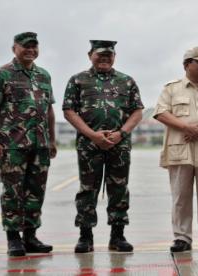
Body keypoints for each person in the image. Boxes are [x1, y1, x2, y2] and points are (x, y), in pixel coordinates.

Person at [62, 40, 144, 253]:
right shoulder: (78, 80)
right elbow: (69, 111)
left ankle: (117, 236)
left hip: (120, 145)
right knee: (88, 190)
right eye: (100, 54)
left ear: (114, 56)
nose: (105, 58)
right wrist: (92, 135)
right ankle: (85, 236)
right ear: (90, 54)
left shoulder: (127, 81)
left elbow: (137, 111)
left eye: (109, 54)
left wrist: (121, 133)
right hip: (89, 145)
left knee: (119, 189)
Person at [0, 32, 56, 256]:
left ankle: (31, 236)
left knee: (36, 191)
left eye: (34, 46)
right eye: (26, 46)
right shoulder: (2, 74)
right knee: (12, 191)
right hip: (12, 145)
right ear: (14, 48)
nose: (31, 50)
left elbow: (49, 110)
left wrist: (52, 139)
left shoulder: (44, 75)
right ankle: (14, 239)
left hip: (40, 144)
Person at [154, 46, 198, 253]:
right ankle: (182, 238)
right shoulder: (172, 88)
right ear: (187, 65)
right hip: (180, 148)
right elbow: (160, 113)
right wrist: (186, 127)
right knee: (180, 197)